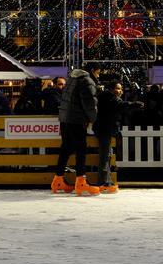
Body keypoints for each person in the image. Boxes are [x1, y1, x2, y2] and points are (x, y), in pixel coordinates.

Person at [51, 65, 100, 196]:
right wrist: (93, 118)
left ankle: (58, 179)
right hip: (77, 120)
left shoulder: (72, 79)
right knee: (81, 150)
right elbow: (89, 103)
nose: (98, 76)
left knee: (66, 148)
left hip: (65, 119)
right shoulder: (86, 81)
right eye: (98, 72)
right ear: (93, 71)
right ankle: (81, 181)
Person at [93, 81, 143, 194]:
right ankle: (104, 182)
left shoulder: (106, 97)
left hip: (104, 129)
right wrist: (134, 104)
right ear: (111, 89)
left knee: (107, 155)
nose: (120, 91)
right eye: (118, 88)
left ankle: (106, 181)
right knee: (105, 156)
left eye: (121, 89)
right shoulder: (110, 98)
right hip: (104, 129)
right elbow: (121, 105)